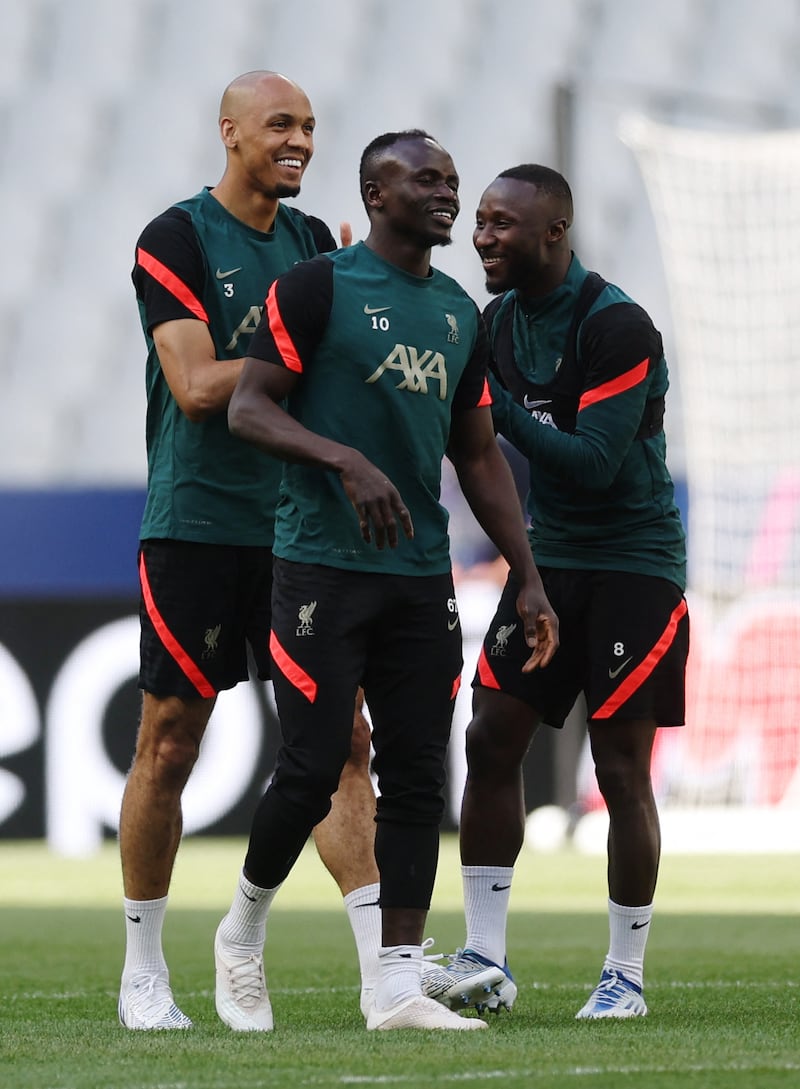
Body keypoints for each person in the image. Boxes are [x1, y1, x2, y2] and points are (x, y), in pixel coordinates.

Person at [213, 130, 559, 1033]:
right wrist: (345, 461)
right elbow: (248, 406)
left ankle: (396, 986)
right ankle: (241, 930)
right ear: (375, 192)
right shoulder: (318, 286)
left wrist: (527, 575)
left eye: (452, 178)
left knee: (416, 775)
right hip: (319, 565)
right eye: (428, 180)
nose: (449, 194)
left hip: (418, 574)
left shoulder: (457, 310)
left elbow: (479, 454)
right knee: (312, 764)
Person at [119, 70, 382, 1031]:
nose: (301, 140)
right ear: (230, 132)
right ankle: (145, 967)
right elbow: (195, 386)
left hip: (299, 529)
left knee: (339, 742)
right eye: (282, 124)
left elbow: (342, 369)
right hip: (196, 525)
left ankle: (383, 969)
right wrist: (303, 338)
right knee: (170, 741)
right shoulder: (177, 237)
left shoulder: (317, 245)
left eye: (310, 126)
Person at [421, 164, 688, 1019]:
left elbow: (595, 462)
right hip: (550, 562)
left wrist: (495, 405)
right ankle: (485, 955)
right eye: (481, 222)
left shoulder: (617, 326)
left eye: (502, 223)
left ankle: (625, 973)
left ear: (554, 233)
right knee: (493, 735)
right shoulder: (494, 322)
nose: (483, 236)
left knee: (619, 767)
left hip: (633, 564)